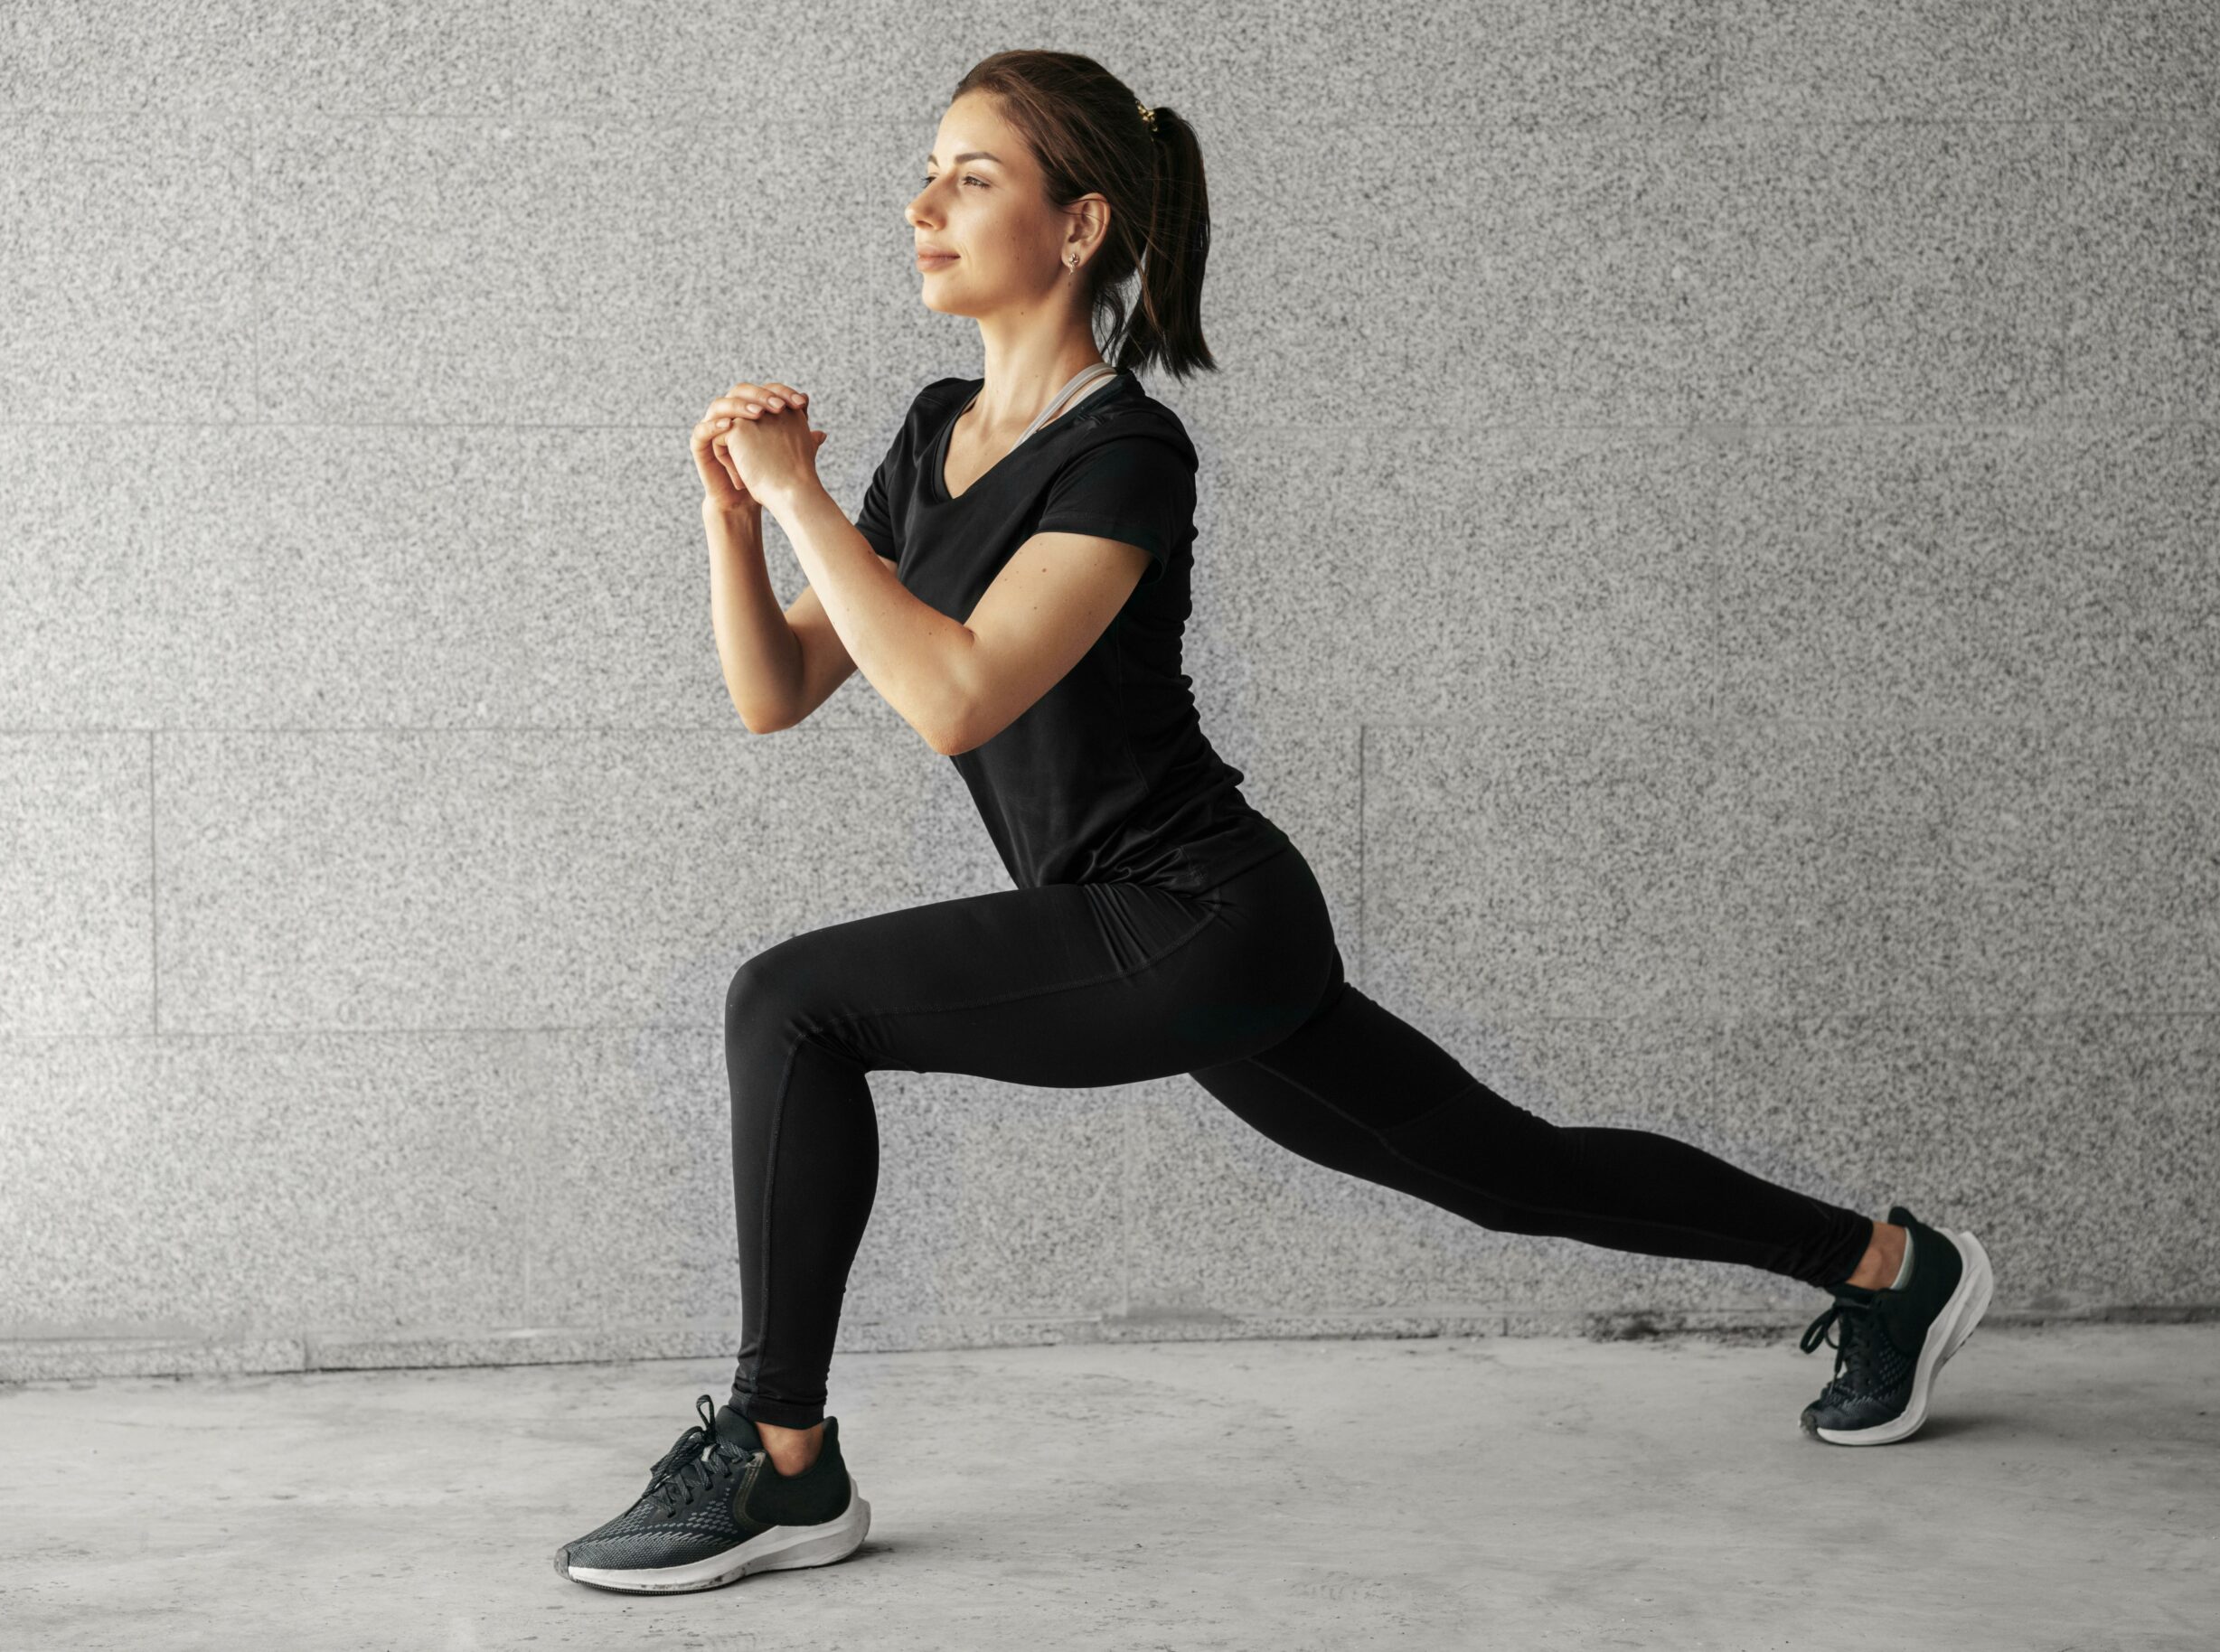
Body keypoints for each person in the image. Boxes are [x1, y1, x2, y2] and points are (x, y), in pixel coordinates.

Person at [553, 50, 1996, 1596]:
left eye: (971, 178)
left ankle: (784, 1461)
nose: (922, 207)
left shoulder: (1125, 454)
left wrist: (797, 503)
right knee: (1507, 1173)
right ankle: (1891, 1268)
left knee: (791, 1003)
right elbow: (779, 692)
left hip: (1194, 916)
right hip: (1153, 929)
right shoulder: (932, 436)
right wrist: (731, 510)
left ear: (1082, 222)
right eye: (926, 172)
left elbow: (958, 694)